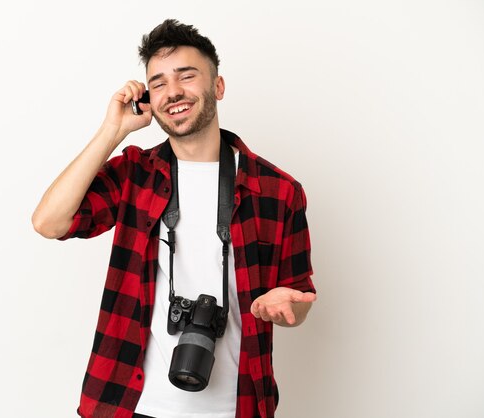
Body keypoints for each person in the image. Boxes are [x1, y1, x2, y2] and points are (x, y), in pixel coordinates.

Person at [32, 19, 316, 418]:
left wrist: (286, 307)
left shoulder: (278, 190)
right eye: (159, 82)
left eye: (187, 76)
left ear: (218, 86)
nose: (173, 92)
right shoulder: (136, 173)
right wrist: (112, 131)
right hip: (133, 405)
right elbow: (49, 222)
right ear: (149, 95)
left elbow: (300, 297)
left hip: (240, 406)